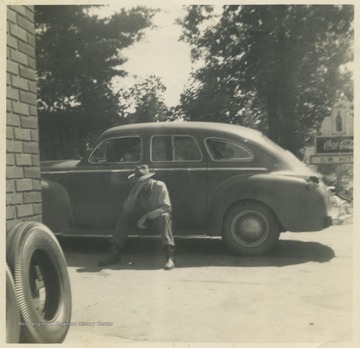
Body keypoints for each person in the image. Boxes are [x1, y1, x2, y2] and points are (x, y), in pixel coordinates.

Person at [98, 165, 175, 270]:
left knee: (165, 216)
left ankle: (169, 258)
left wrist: (147, 216)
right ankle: (114, 254)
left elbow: (167, 207)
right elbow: (126, 209)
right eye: (138, 181)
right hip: (141, 224)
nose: (140, 183)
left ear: (149, 179)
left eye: (142, 181)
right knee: (124, 217)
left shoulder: (160, 186)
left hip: (156, 222)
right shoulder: (136, 189)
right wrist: (135, 194)